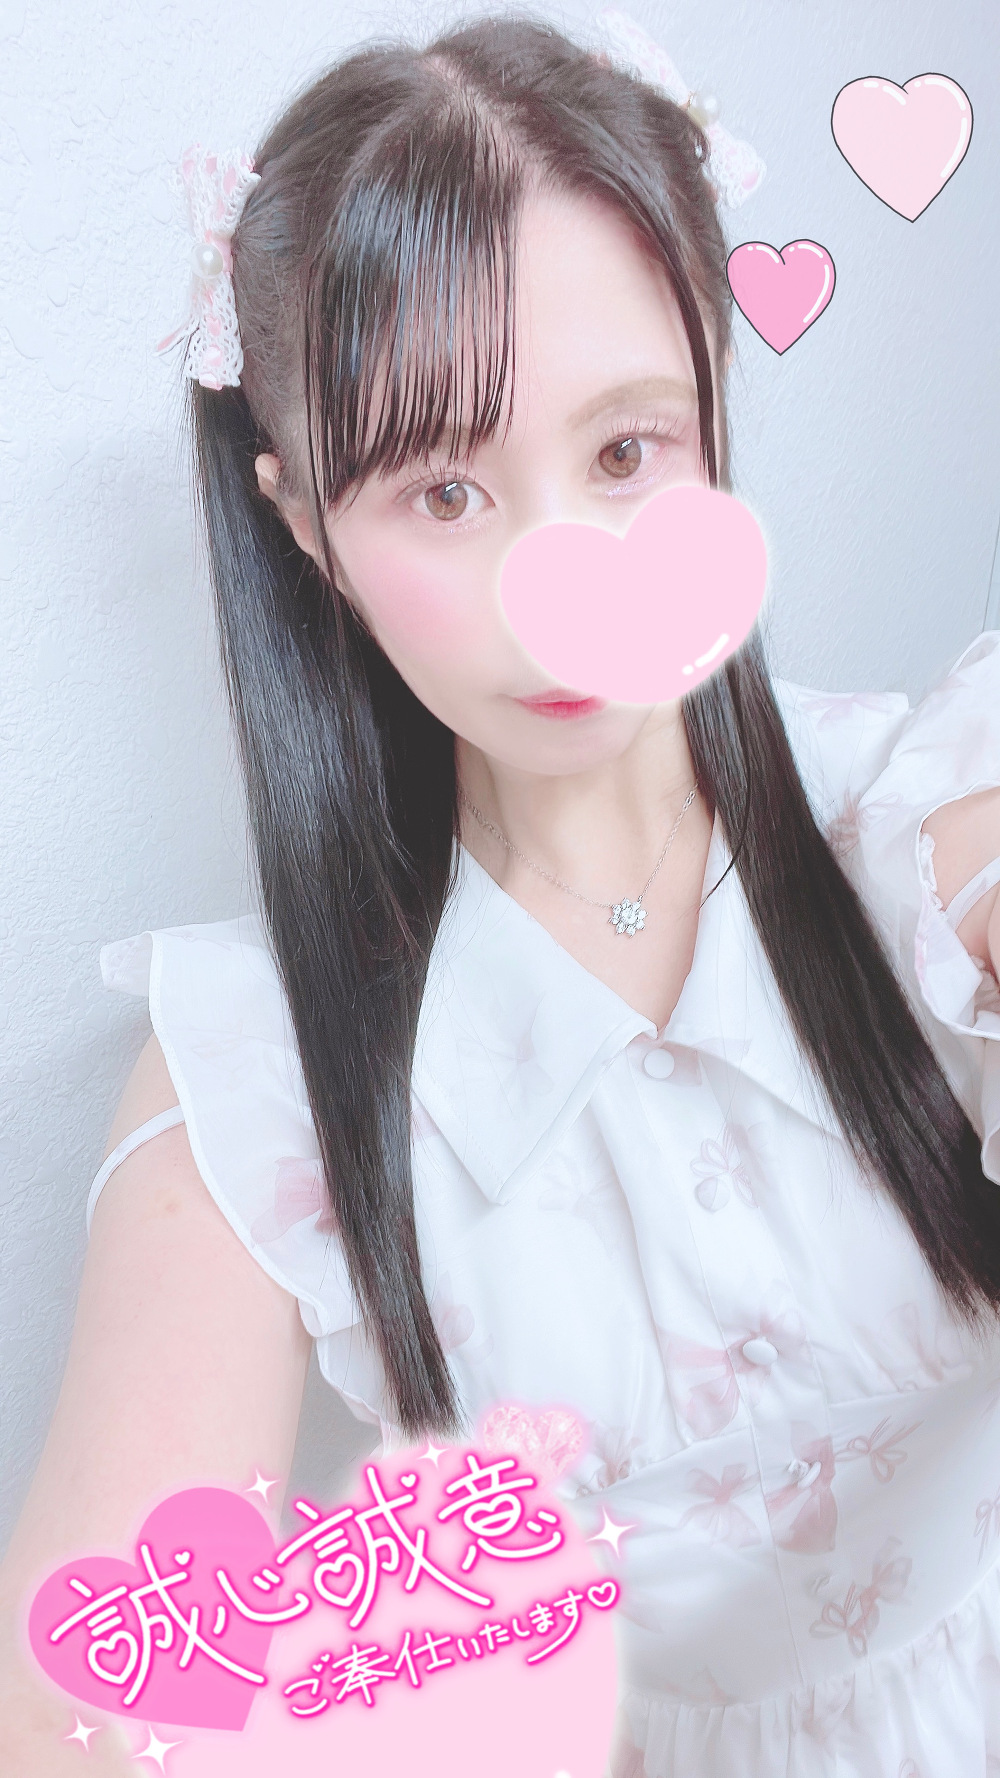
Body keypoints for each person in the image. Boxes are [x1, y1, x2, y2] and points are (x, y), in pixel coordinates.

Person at [3, 12, 1000, 1775]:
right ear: (305, 524)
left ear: (712, 400)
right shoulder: (260, 1075)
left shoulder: (920, 826)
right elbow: (93, 1703)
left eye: (625, 455)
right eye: (446, 489)